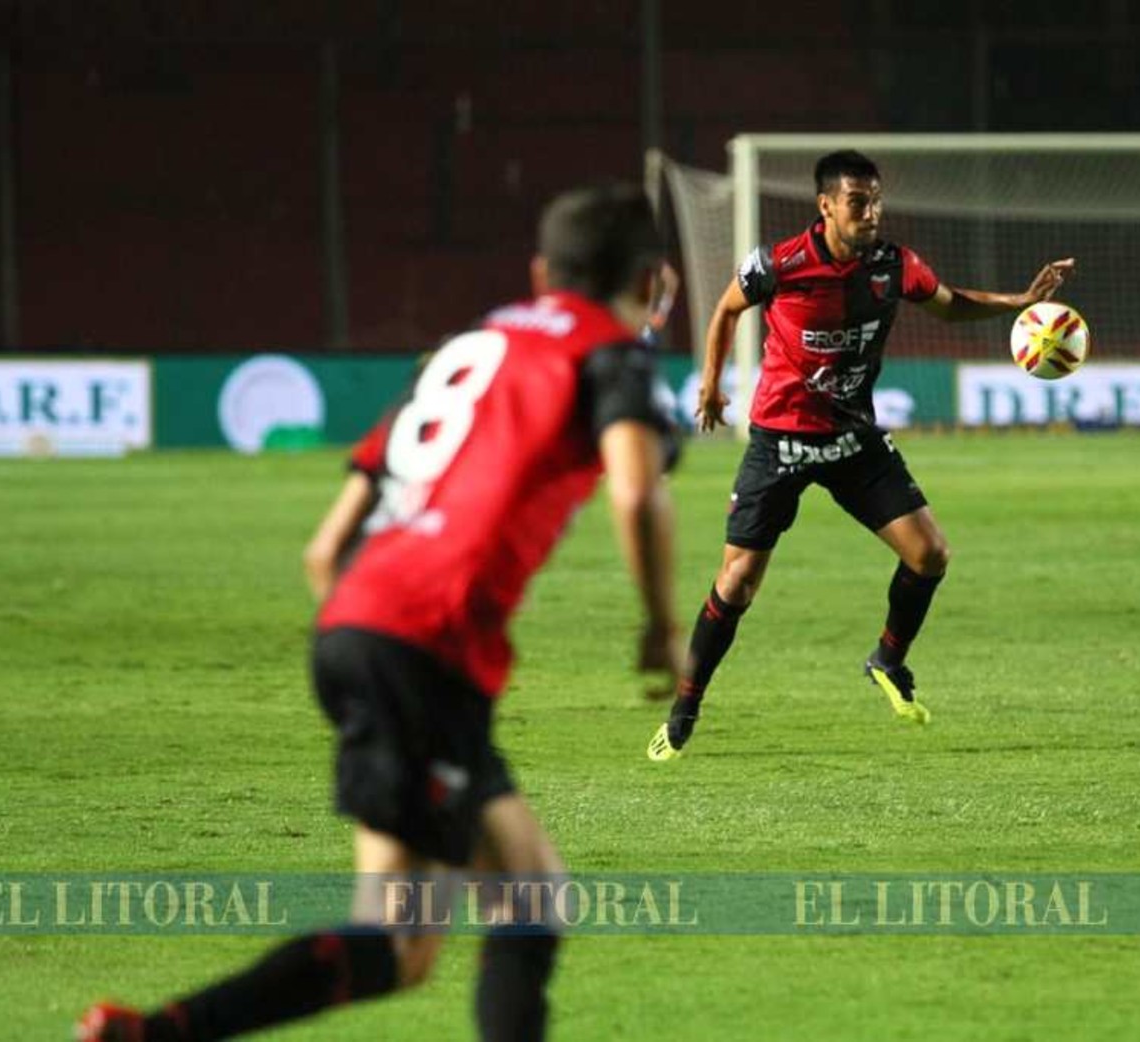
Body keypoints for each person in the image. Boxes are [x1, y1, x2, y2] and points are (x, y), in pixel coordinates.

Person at [77, 183, 684, 1042]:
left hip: (362, 626)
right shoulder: (610, 357)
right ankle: (154, 1035)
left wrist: (376, 634)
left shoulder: (464, 348)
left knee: (466, 920)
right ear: (652, 281)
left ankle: (153, 1034)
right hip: (424, 648)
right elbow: (636, 491)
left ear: (540, 272)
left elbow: (325, 549)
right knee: (468, 919)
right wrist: (661, 628)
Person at [647, 149, 1073, 761]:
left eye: (875, 201)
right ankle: (686, 703)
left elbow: (949, 303)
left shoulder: (894, 264)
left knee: (930, 554)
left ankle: (887, 660)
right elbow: (726, 309)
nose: (870, 212)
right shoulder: (781, 263)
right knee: (737, 582)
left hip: (852, 438)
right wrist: (712, 385)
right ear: (826, 206)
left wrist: (1018, 302)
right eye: (857, 202)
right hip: (781, 440)